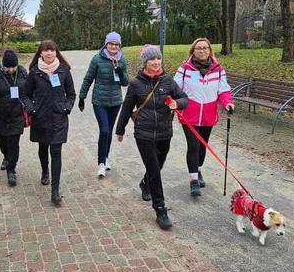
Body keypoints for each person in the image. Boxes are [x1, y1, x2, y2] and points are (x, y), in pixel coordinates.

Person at [115, 45, 188, 230]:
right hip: (144, 134)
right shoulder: (136, 84)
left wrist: (176, 103)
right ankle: (160, 208)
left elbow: (184, 98)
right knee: (154, 169)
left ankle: (144, 183)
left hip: (164, 132)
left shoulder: (168, 81)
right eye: (151, 60)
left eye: (158, 59)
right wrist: (120, 129)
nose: (156, 63)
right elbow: (126, 107)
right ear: (145, 63)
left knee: (158, 165)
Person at [173, 38, 234, 196]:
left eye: (205, 48)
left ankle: (198, 170)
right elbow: (174, 88)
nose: (202, 50)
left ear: (210, 50)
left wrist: (227, 103)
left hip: (208, 115)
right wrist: (174, 102)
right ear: (193, 51)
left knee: (202, 146)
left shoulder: (218, 70)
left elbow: (224, 90)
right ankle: (194, 180)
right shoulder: (184, 69)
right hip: (189, 115)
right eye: (198, 48)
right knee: (193, 146)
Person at [22, 40, 76, 205]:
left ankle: (55, 191)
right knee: (43, 147)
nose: (49, 53)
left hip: (59, 118)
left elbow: (71, 94)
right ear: (40, 53)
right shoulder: (35, 72)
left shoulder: (64, 71)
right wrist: (32, 110)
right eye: (45, 50)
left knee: (56, 151)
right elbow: (25, 95)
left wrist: (67, 108)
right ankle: (45, 170)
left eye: (52, 50)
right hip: (40, 117)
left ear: (56, 52)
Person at [78, 31, 129, 178]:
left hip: (115, 101)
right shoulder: (97, 59)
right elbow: (88, 78)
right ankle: (101, 163)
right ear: (106, 44)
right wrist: (82, 96)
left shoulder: (122, 61)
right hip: (99, 101)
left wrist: (120, 73)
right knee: (104, 130)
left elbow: (125, 83)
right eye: (111, 43)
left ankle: (105, 158)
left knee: (110, 131)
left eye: (116, 44)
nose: (114, 46)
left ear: (119, 46)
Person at [0, 50, 28, 186]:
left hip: (17, 114)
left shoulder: (22, 72)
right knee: (3, 141)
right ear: (3, 65)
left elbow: (30, 90)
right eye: (7, 67)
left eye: (13, 67)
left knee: (13, 143)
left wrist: (31, 105)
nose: (10, 70)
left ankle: (11, 170)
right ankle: (6, 156)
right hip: (1, 114)